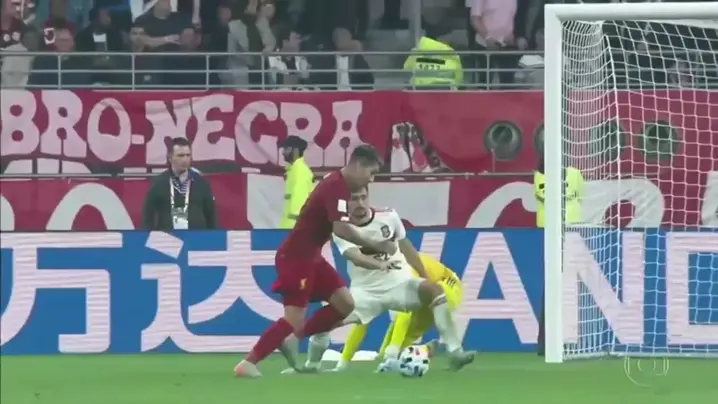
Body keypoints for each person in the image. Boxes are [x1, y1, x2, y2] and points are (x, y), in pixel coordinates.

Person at [234, 145, 396, 378]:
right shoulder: (336, 187)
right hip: (296, 257)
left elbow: (339, 224)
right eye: (371, 172)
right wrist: (377, 245)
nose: (371, 179)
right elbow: (341, 229)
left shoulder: (338, 184)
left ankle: (294, 338)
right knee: (293, 318)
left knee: (345, 304)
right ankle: (248, 362)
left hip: (312, 257)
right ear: (359, 165)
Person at [284, 187, 475, 374]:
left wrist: (424, 276)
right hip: (365, 293)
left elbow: (407, 248)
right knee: (324, 322)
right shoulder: (341, 227)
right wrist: (380, 264)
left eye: (363, 197)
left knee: (434, 290)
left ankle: (455, 352)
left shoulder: (388, 216)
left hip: (399, 284)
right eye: (354, 199)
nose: (359, 203)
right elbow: (355, 256)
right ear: (345, 203)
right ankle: (312, 364)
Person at [333, 252, 463, 372]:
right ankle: (426, 350)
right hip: (426, 292)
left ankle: (455, 352)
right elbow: (362, 321)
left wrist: (392, 352)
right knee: (386, 354)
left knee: (395, 347)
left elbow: (404, 314)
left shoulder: (401, 270)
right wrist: (343, 362)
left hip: (447, 286)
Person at [142, 138, 217, 230]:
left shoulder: (201, 182)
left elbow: (211, 217)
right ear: (170, 158)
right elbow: (148, 217)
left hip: (196, 237)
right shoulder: (159, 183)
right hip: (167, 237)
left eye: (188, 155)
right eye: (180, 156)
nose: (185, 160)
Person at [279, 136, 314, 229]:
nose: (283, 152)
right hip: (290, 227)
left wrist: (296, 228)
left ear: (295, 150)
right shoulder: (294, 170)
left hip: (293, 227)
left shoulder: (300, 170)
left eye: (286, 149)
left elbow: (300, 201)